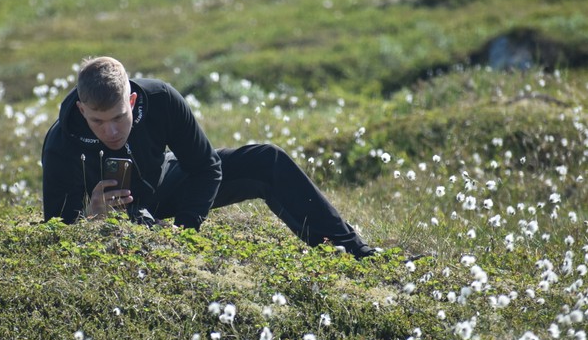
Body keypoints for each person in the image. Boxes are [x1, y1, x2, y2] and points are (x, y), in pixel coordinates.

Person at [42, 56, 377, 259]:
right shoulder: (60, 143)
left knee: (267, 159)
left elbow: (205, 167)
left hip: (164, 187)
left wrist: (185, 230)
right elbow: (56, 230)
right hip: (112, 214)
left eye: (118, 118)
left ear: (130, 101)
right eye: (97, 122)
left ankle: (354, 253)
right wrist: (90, 218)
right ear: (81, 109)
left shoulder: (160, 99)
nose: (111, 132)